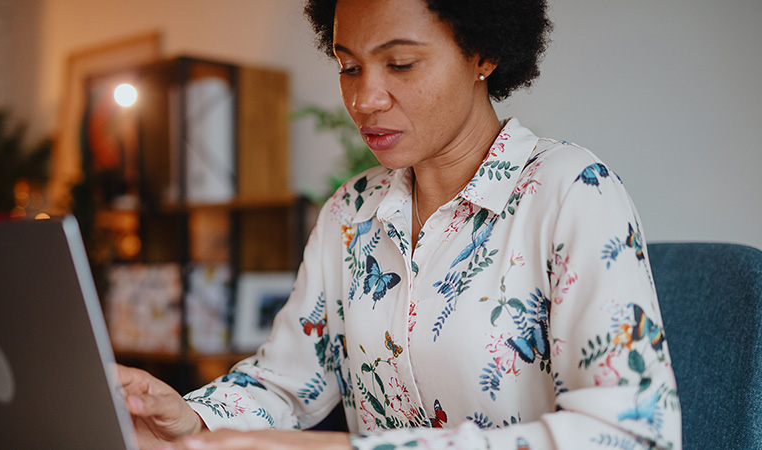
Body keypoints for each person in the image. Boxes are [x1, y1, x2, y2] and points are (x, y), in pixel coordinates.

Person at [118, 0, 681, 448]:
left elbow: (633, 433)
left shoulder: (573, 191)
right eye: (349, 67)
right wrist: (189, 418)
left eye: (401, 64)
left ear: (482, 53)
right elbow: (285, 384)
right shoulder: (351, 212)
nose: (364, 98)